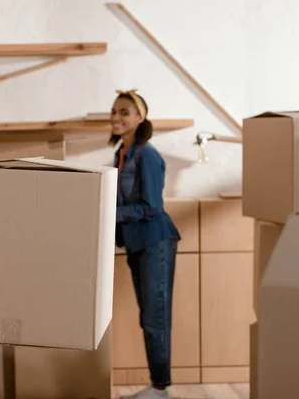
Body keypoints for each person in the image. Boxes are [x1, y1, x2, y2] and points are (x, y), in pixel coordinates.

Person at [111, 89, 181, 399]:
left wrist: (108, 214)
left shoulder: (147, 154)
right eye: (114, 111)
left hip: (156, 242)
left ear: (140, 119)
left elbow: (151, 207)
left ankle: (161, 389)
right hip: (137, 244)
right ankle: (157, 386)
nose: (117, 117)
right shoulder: (122, 153)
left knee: (155, 318)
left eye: (124, 112)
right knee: (147, 317)